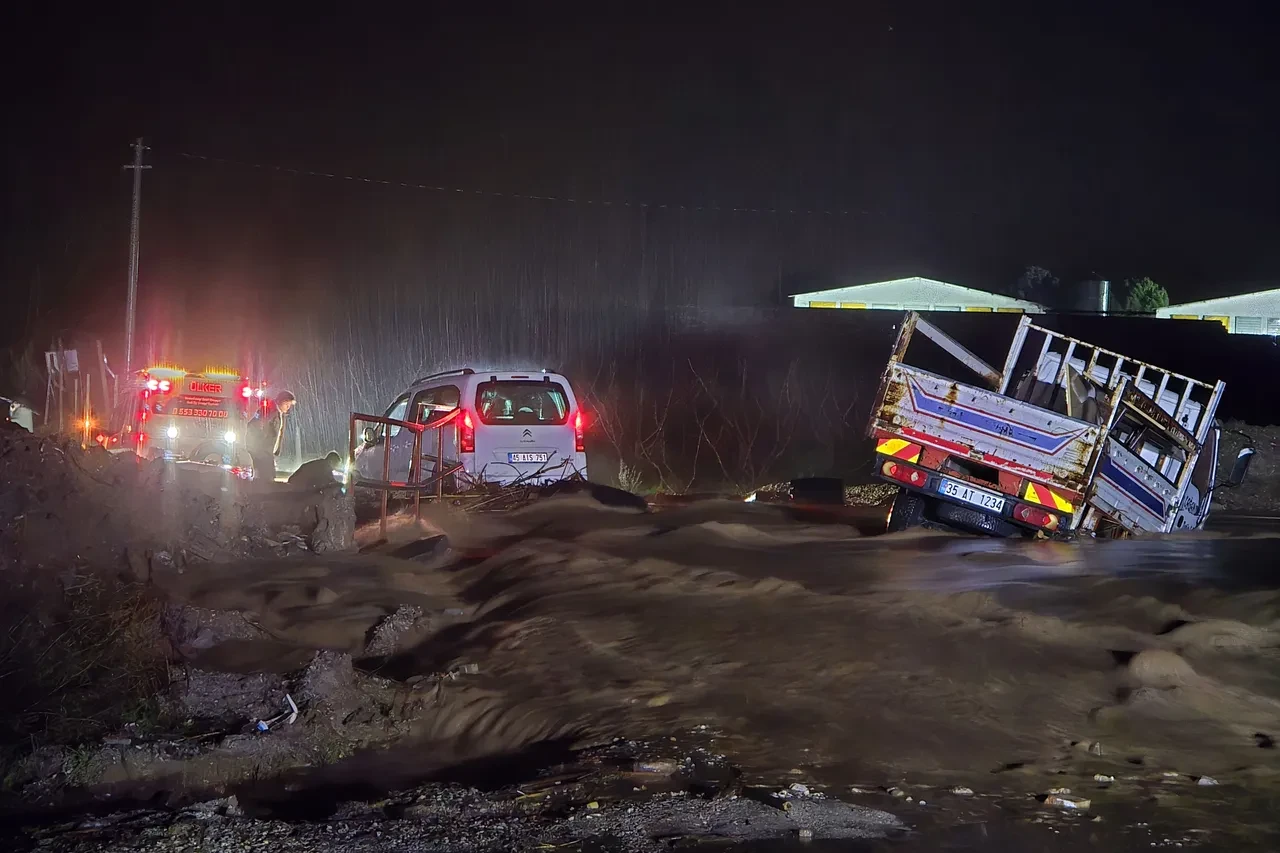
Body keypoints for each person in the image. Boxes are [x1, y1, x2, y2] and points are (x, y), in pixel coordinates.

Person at [247, 390, 296, 482]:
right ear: (280, 401)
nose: (288, 407)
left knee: (267, 477)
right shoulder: (269, 411)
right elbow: (254, 426)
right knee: (265, 479)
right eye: (287, 404)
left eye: (289, 405)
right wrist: (257, 447)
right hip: (262, 452)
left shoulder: (280, 414)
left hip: (267, 452)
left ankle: (259, 493)